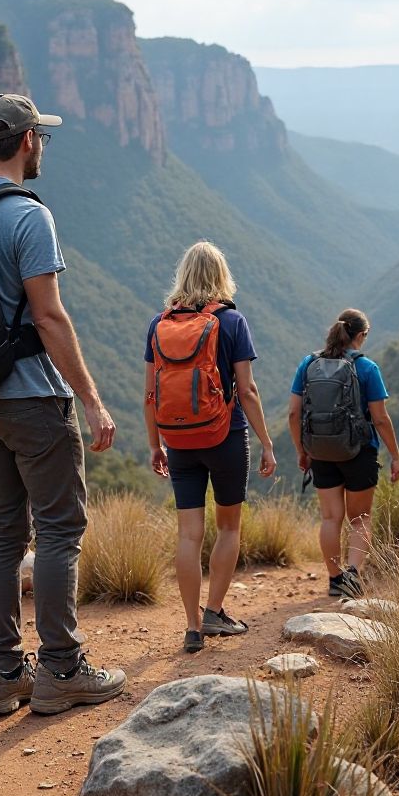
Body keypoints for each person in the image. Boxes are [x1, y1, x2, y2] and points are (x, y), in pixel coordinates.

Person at [0, 93, 126, 716]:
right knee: (58, 530)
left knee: (4, 530)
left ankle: (3, 674)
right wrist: (93, 400)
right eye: (42, 138)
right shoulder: (28, 215)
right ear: (28, 140)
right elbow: (49, 317)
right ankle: (61, 669)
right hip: (31, 397)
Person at [144, 241, 276, 653]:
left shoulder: (159, 324)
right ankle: (214, 612)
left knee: (188, 534)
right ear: (221, 276)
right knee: (229, 527)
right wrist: (267, 443)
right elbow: (247, 390)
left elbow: (150, 394)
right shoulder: (232, 322)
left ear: (182, 275)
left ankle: (191, 627)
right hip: (225, 436)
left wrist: (155, 445)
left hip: (178, 440)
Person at [288, 309, 399, 598]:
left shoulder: (308, 363)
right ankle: (352, 575)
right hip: (359, 452)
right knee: (360, 518)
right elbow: (380, 419)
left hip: (320, 451)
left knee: (330, 518)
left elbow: (293, 414)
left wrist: (302, 450)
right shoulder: (367, 368)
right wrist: (395, 455)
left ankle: (335, 580)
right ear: (360, 335)